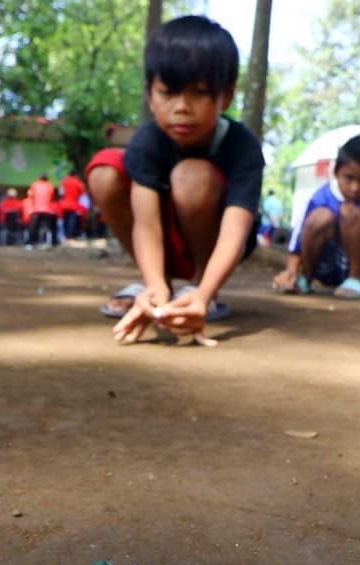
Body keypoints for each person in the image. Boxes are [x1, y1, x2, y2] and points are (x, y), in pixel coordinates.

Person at [86, 15, 264, 345]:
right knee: (105, 170)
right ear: (150, 94)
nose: (181, 108)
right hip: (166, 241)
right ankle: (158, 287)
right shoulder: (146, 142)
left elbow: (235, 232)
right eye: (168, 93)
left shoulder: (243, 147)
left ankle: (197, 290)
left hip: (215, 248)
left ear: (225, 97)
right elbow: (147, 224)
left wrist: (205, 292)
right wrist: (155, 287)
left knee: (191, 176)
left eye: (198, 94)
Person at [272, 134, 360, 302]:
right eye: (349, 178)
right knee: (320, 217)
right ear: (336, 172)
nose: (355, 188)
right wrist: (292, 273)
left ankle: (355, 280)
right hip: (323, 264)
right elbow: (297, 239)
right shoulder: (320, 197)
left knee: (350, 212)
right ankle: (306, 279)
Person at [27, 174, 57, 247]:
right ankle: (53, 242)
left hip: (36, 210)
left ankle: (31, 243)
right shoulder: (50, 186)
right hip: (47, 210)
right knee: (51, 227)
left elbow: (30, 195)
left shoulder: (34, 185)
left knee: (33, 227)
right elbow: (52, 198)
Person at [60, 170, 86, 239]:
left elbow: (61, 192)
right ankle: (70, 236)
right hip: (73, 204)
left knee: (65, 220)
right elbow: (82, 192)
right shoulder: (78, 182)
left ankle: (65, 235)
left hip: (64, 204)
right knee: (72, 221)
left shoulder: (64, 181)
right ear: (75, 175)